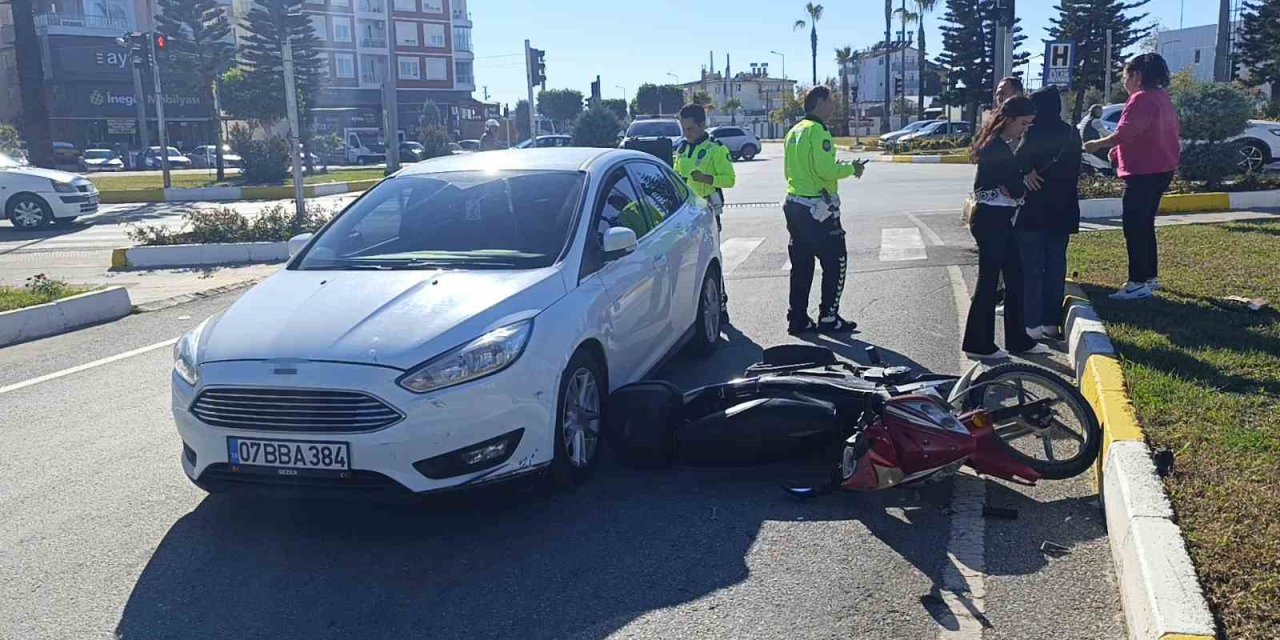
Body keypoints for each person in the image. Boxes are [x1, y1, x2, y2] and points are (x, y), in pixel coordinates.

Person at [1084, 53, 1181, 300]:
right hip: (1162, 169)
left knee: (1134, 227)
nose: (1125, 81)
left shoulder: (1140, 99)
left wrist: (1097, 144)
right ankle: (1150, 276)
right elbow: (1144, 134)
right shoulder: (1162, 98)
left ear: (1137, 76)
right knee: (1145, 224)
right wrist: (1117, 152)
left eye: (1126, 76)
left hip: (1143, 172)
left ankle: (1137, 282)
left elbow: (1125, 133)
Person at [962, 96, 1050, 360]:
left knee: (1015, 278)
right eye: (1023, 123)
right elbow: (1015, 188)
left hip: (997, 219)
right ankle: (979, 344)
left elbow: (1012, 186)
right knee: (989, 283)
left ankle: (1017, 340)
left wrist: (1017, 183)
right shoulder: (996, 148)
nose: (1024, 130)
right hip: (991, 220)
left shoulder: (1000, 144)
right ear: (1009, 119)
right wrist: (1020, 182)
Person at [782, 85, 866, 335]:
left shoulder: (795, 130)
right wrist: (852, 169)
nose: (833, 107)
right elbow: (825, 171)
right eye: (830, 102)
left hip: (794, 203)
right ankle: (829, 317)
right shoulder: (819, 131)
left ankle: (797, 318)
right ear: (819, 102)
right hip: (816, 209)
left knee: (802, 265)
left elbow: (797, 169)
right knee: (836, 261)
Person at [1014, 85, 1082, 342]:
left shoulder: (1033, 132)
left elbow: (1018, 159)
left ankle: (1032, 323)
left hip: (1035, 209)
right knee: (1056, 266)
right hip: (1063, 208)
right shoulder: (1071, 133)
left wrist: (1026, 172)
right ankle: (1051, 322)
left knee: (1032, 268)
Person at [673, 103, 736, 230]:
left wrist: (706, 179)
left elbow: (730, 180)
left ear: (702, 125)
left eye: (690, 129)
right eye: (683, 129)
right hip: (686, 211)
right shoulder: (682, 149)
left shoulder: (716, 149)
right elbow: (676, 176)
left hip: (708, 209)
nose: (686, 134)